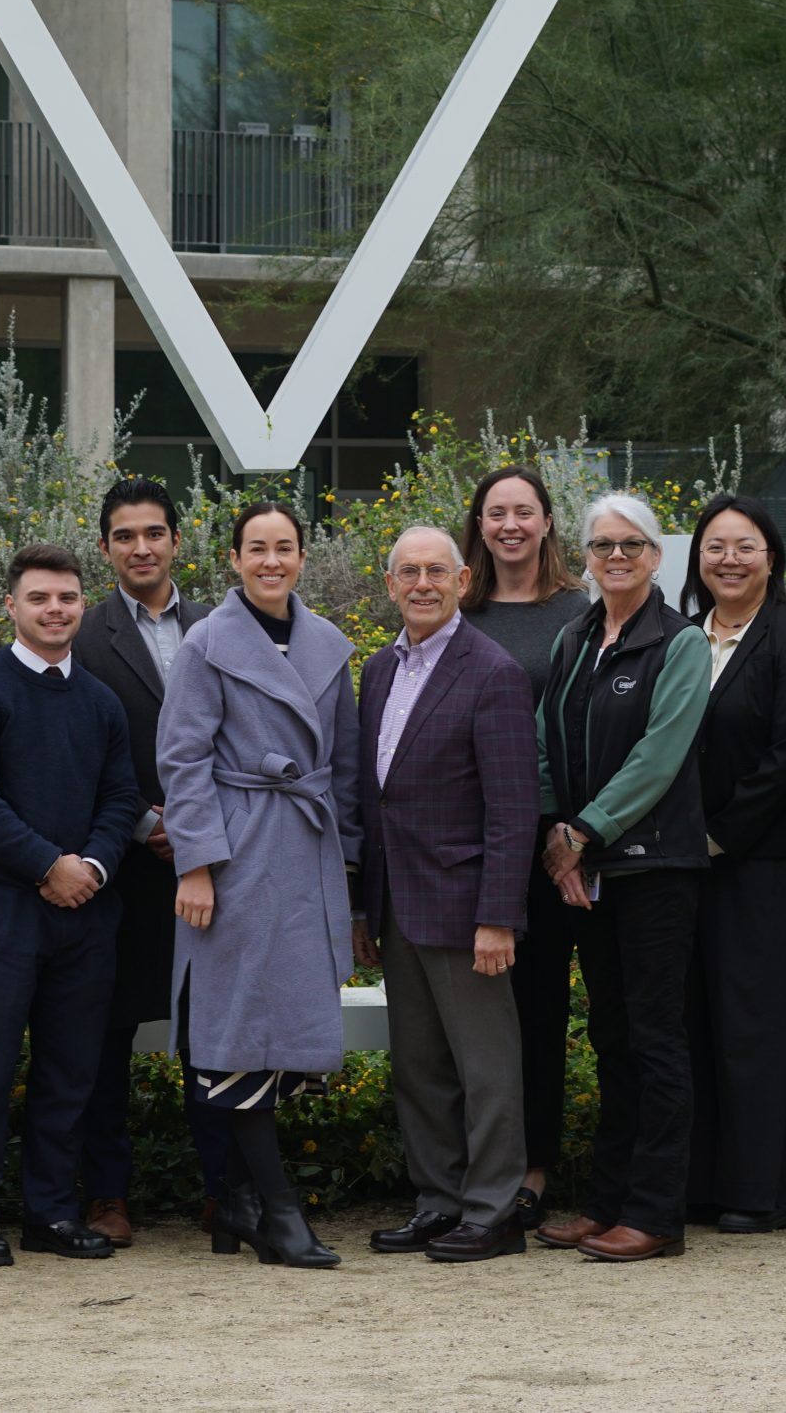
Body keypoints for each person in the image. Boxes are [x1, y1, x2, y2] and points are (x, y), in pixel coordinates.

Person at [159, 502, 363, 1272]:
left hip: (308, 851)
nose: (270, 560)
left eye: (284, 547)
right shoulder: (206, 644)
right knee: (240, 1028)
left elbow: (345, 768)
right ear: (234, 559)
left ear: (303, 556)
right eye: (256, 548)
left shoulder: (329, 645)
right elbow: (182, 760)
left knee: (287, 1030)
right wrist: (196, 864)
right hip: (237, 854)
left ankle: (241, 1204)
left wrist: (349, 869)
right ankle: (276, 1210)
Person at [0, 544, 138, 1267]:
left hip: (86, 909)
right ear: (11, 606)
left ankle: (51, 1212)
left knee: (69, 1070)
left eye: (67, 597)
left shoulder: (101, 701)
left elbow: (121, 797)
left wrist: (93, 867)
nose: (56, 609)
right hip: (0, 907)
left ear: (83, 604)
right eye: (40, 598)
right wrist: (49, 865)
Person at [527, 494, 711, 1265]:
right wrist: (556, 832)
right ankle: (606, 1204)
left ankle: (655, 1213)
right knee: (611, 1036)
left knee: (656, 1037)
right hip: (589, 868)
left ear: (656, 555)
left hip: (655, 868)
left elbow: (658, 758)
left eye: (631, 544)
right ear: (587, 556)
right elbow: (544, 739)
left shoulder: (682, 642)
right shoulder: (573, 636)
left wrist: (583, 831)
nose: (616, 557)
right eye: (602, 545)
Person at [352, 526, 538, 1264]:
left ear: (463, 581)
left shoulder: (493, 671)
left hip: (466, 910)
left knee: (485, 1068)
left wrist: (498, 917)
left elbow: (513, 809)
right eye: (409, 572)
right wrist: (365, 906)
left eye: (437, 571)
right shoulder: (378, 670)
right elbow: (375, 796)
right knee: (419, 1067)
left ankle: (494, 1211)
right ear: (390, 584)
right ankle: (439, 1201)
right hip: (398, 902)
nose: (422, 584)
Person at [70, 478, 225, 1246]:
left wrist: (200, 828)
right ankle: (107, 1194)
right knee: (104, 1037)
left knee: (215, 1031)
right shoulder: (81, 634)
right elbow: (77, 747)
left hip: (215, 867)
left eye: (154, 532)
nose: (141, 547)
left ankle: (225, 1187)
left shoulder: (221, 626)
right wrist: (141, 821)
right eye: (125, 535)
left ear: (176, 540)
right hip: (120, 868)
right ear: (105, 547)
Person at [680, 492, 786, 1235]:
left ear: (772, 557)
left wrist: (718, 835)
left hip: (764, 863)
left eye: (745, 546)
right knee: (695, 1021)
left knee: (758, 1026)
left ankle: (761, 1192)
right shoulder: (683, 638)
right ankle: (700, 1184)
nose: (730, 559)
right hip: (684, 863)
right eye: (715, 546)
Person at [457, 464, 591, 1231]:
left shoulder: (578, 611)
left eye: (524, 511)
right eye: (496, 512)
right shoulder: (459, 610)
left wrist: (569, 831)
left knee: (540, 1009)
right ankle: (476, 1163)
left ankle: (534, 1165)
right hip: (467, 845)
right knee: (474, 1014)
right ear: (479, 524)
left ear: (546, 522)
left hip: (553, 848)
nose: (510, 524)